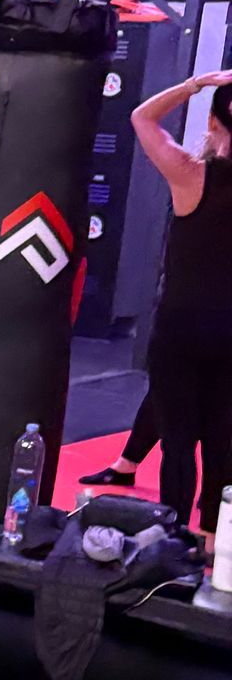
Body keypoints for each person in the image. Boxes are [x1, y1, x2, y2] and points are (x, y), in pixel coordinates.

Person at [131, 68, 232, 546]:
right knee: (221, 441)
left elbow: (142, 117)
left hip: (179, 329)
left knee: (179, 442)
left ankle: (173, 537)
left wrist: (195, 84)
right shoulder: (194, 175)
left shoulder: (191, 175)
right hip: (228, 331)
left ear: (213, 123)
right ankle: (213, 535)